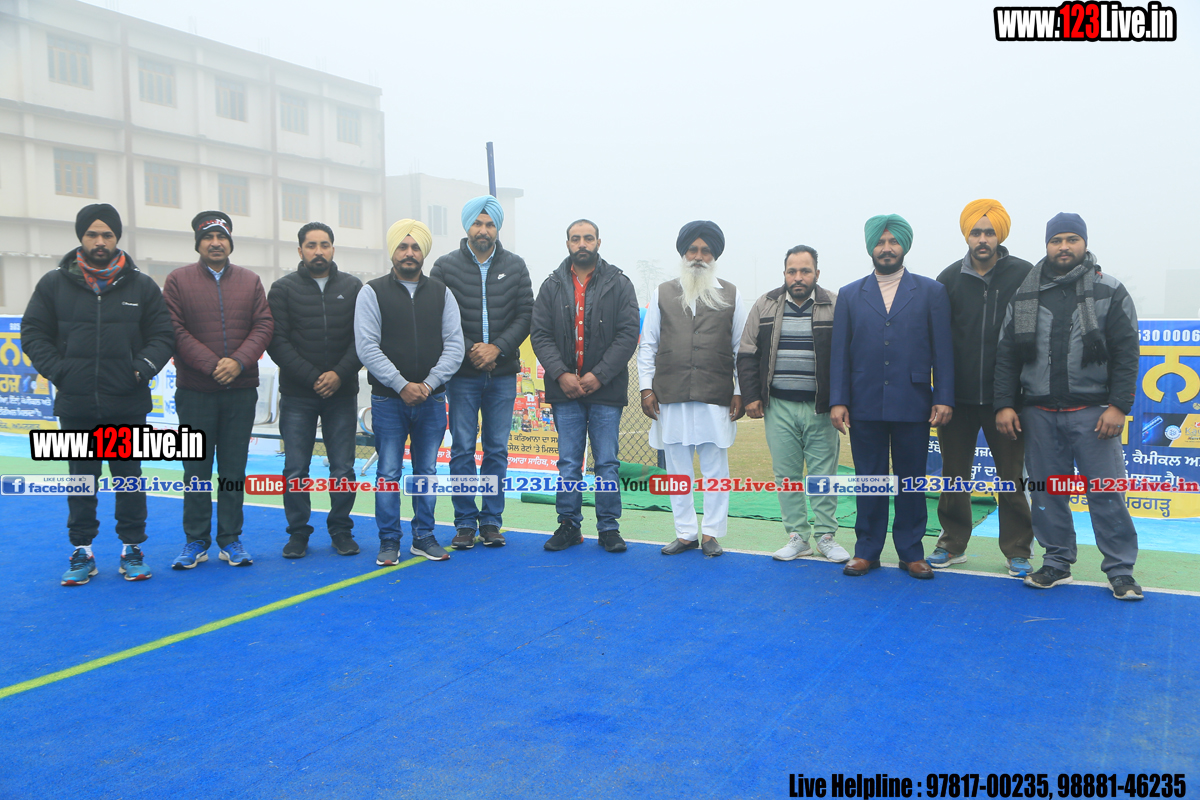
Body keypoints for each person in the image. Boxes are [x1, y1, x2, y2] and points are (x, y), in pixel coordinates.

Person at [21, 204, 174, 585]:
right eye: (93, 234)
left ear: (117, 238)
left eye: (107, 234)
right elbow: (33, 332)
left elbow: (162, 335)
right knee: (81, 481)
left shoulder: (141, 286)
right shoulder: (53, 284)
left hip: (127, 402)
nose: (100, 241)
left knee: (129, 479)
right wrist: (60, 371)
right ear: (81, 237)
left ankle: (132, 549)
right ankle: (82, 551)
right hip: (76, 404)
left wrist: (140, 369)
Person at [994, 213, 1143, 600]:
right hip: (1039, 414)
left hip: (1095, 415)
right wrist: (1004, 405)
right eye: (1056, 240)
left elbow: (1127, 353)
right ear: (1047, 245)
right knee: (1046, 494)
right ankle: (1057, 563)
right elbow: (1007, 356)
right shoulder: (1026, 294)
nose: (1064, 247)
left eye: (1071, 239)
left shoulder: (1109, 290)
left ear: (1084, 243)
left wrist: (1119, 406)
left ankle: (1121, 571)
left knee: (1106, 493)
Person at [829, 214, 954, 579]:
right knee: (869, 480)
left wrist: (943, 396)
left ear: (904, 246)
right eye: (880, 242)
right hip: (864, 401)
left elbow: (943, 351)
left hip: (913, 401)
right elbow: (840, 353)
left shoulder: (931, 292)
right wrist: (839, 400)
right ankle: (867, 551)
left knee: (911, 480)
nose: (886, 248)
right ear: (871, 247)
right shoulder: (850, 294)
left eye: (893, 241)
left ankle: (911, 552)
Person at [163, 211, 273, 569]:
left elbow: (263, 325)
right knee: (195, 470)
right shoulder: (178, 280)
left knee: (233, 470)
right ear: (198, 244)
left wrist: (238, 362)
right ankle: (195, 540)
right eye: (208, 237)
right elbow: (173, 329)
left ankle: (230, 539)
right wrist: (213, 365)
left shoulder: (250, 281)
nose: (215, 243)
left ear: (230, 242)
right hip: (195, 392)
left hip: (240, 391)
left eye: (221, 237)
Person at [931, 200, 1035, 576]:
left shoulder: (1024, 274)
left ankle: (1017, 550)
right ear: (967, 236)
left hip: (1005, 401)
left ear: (1000, 236)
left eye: (989, 232)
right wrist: (942, 395)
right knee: (953, 476)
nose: (982, 239)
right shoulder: (947, 279)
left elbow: (1029, 340)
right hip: (956, 401)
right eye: (976, 232)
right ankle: (951, 543)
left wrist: (1013, 398)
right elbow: (939, 343)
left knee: (1011, 478)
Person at [356, 219, 464, 564]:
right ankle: (389, 541)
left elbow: (455, 346)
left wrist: (428, 384)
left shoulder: (442, 294)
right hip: (388, 400)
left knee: (426, 472)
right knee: (388, 472)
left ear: (424, 252)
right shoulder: (372, 292)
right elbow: (367, 346)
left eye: (416, 247)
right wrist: (401, 384)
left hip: (432, 400)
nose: (409, 253)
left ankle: (424, 536)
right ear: (393, 251)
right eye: (402, 246)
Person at [530, 219, 640, 553]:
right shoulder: (551, 285)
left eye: (588, 238)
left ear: (598, 243)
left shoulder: (619, 283)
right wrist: (561, 374)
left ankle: (608, 528)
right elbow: (540, 334)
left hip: (605, 390)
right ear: (567, 244)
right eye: (576, 238)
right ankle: (569, 525)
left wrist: (599, 375)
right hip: (565, 391)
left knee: (606, 462)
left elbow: (628, 334)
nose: (582, 244)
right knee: (568, 462)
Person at [429, 196, 533, 550]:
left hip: (502, 374)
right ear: (467, 226)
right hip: (461, 374)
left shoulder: (515, 266)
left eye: (489, 224)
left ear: (497, 228)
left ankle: (490, 522)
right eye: (478, 223)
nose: (483, 230)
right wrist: (473, 349)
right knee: (461, 449)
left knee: (496, 450)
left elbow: (526, 314)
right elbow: (438, 315)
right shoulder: (445, 267)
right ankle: (463, 522)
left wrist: (497, 348)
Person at [638, 221, 747, 557]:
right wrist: (645, 389)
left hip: (715, 395)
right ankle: (685, 533)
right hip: (671, 395)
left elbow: (741, 347)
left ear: (714, 255)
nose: (698, 257)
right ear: (683, 253)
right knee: (677, 469)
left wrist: (740, 390)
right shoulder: (663, 292)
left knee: (715, 468)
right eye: (693, 250)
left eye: (705, 251)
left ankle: (711, 533)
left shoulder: (732, 294)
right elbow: (648, 344)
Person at [738, 245, 849, 563]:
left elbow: (848, 356)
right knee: (786, 475)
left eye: (805, 271)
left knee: (823, 475)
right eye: (792, 271)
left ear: (817, 273)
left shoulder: (835, 305)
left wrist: (841, 401)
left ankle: (826, 536)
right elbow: (747, 353)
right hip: (779, 406)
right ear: (784, 273)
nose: (798, 277)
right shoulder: (765, 304)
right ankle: (798, 537)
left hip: (820, 407)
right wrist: (751, 396)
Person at [267, 222, 363, 559]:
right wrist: (313, 378)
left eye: (324, 245)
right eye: (311, 245)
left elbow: (363, 338)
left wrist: (338, 374)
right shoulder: (282, 289)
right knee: (296, 468)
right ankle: (298, 533)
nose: (318, 251)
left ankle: (341, 530)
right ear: (300, 251)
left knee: (343, 468)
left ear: (333, 249)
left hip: (342, 393)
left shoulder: (353, 287)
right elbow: (277, 342)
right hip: (298, 395)